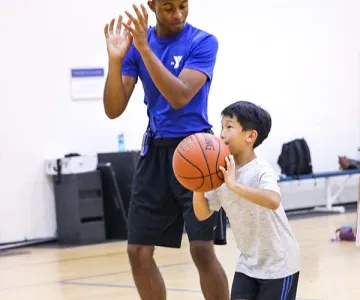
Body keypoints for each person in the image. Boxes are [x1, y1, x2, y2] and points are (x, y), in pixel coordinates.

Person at [102, 1, 229, 300]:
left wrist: (145, 50)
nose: (178, 15)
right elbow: (113, 109)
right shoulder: (137, 44)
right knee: (137, 251)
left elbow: (180, 96)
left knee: (202, 250)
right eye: (169, 8)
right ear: (152, 5)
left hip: (198, 151)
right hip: (155, 155)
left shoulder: (203, 41)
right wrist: (116, 61)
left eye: (183, 6)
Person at [193, 101, 301, 300]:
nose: (222, 133)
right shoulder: (219, 174)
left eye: (229, 126)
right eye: (221, 127)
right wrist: (198, 187)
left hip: (280, 264)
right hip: (248, 264)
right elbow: (202, 213)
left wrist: (234, 186)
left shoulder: (261, 169)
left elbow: (272, 200)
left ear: (250, 136)